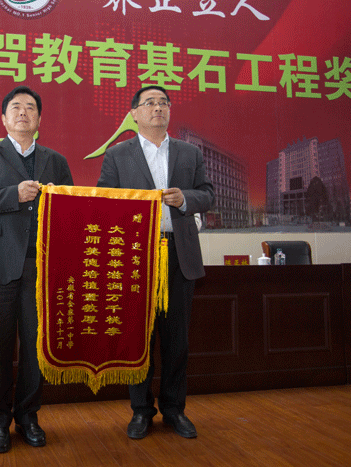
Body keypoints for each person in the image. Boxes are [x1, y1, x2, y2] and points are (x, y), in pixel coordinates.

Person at [0, 86, 73, 453]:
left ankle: (28, 417)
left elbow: (70, 208)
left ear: (39, 119)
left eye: (31, 108)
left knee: (36, 348)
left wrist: (57, 200)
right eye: (16, 107)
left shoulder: (55, 160)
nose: (24, 112)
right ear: (4, 119)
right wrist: (13, 194)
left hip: (42, 266)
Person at [97, 85, 214, 440]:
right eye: (149, 103)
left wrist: (185, 199)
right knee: (139, 338)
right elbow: (104, 201)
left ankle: (175, 410)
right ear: (134, 113)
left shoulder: (189, 153)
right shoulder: (118, 155)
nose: (158, 107)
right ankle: (141, 410)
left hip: (179, 254)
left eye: (163, 102)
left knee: (177, 340)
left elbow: (207, 194)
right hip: (137, 255)